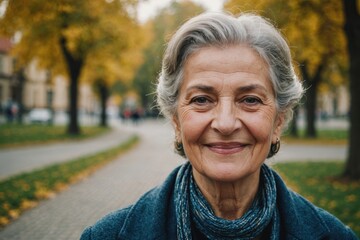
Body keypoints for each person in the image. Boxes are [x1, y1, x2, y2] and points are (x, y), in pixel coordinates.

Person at [80, 12, 357, 240]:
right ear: (176, 120)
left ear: (279, 121)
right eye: (201, 99)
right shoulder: (107, 235)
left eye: (250, 99)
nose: (225, 123)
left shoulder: (336, 236)